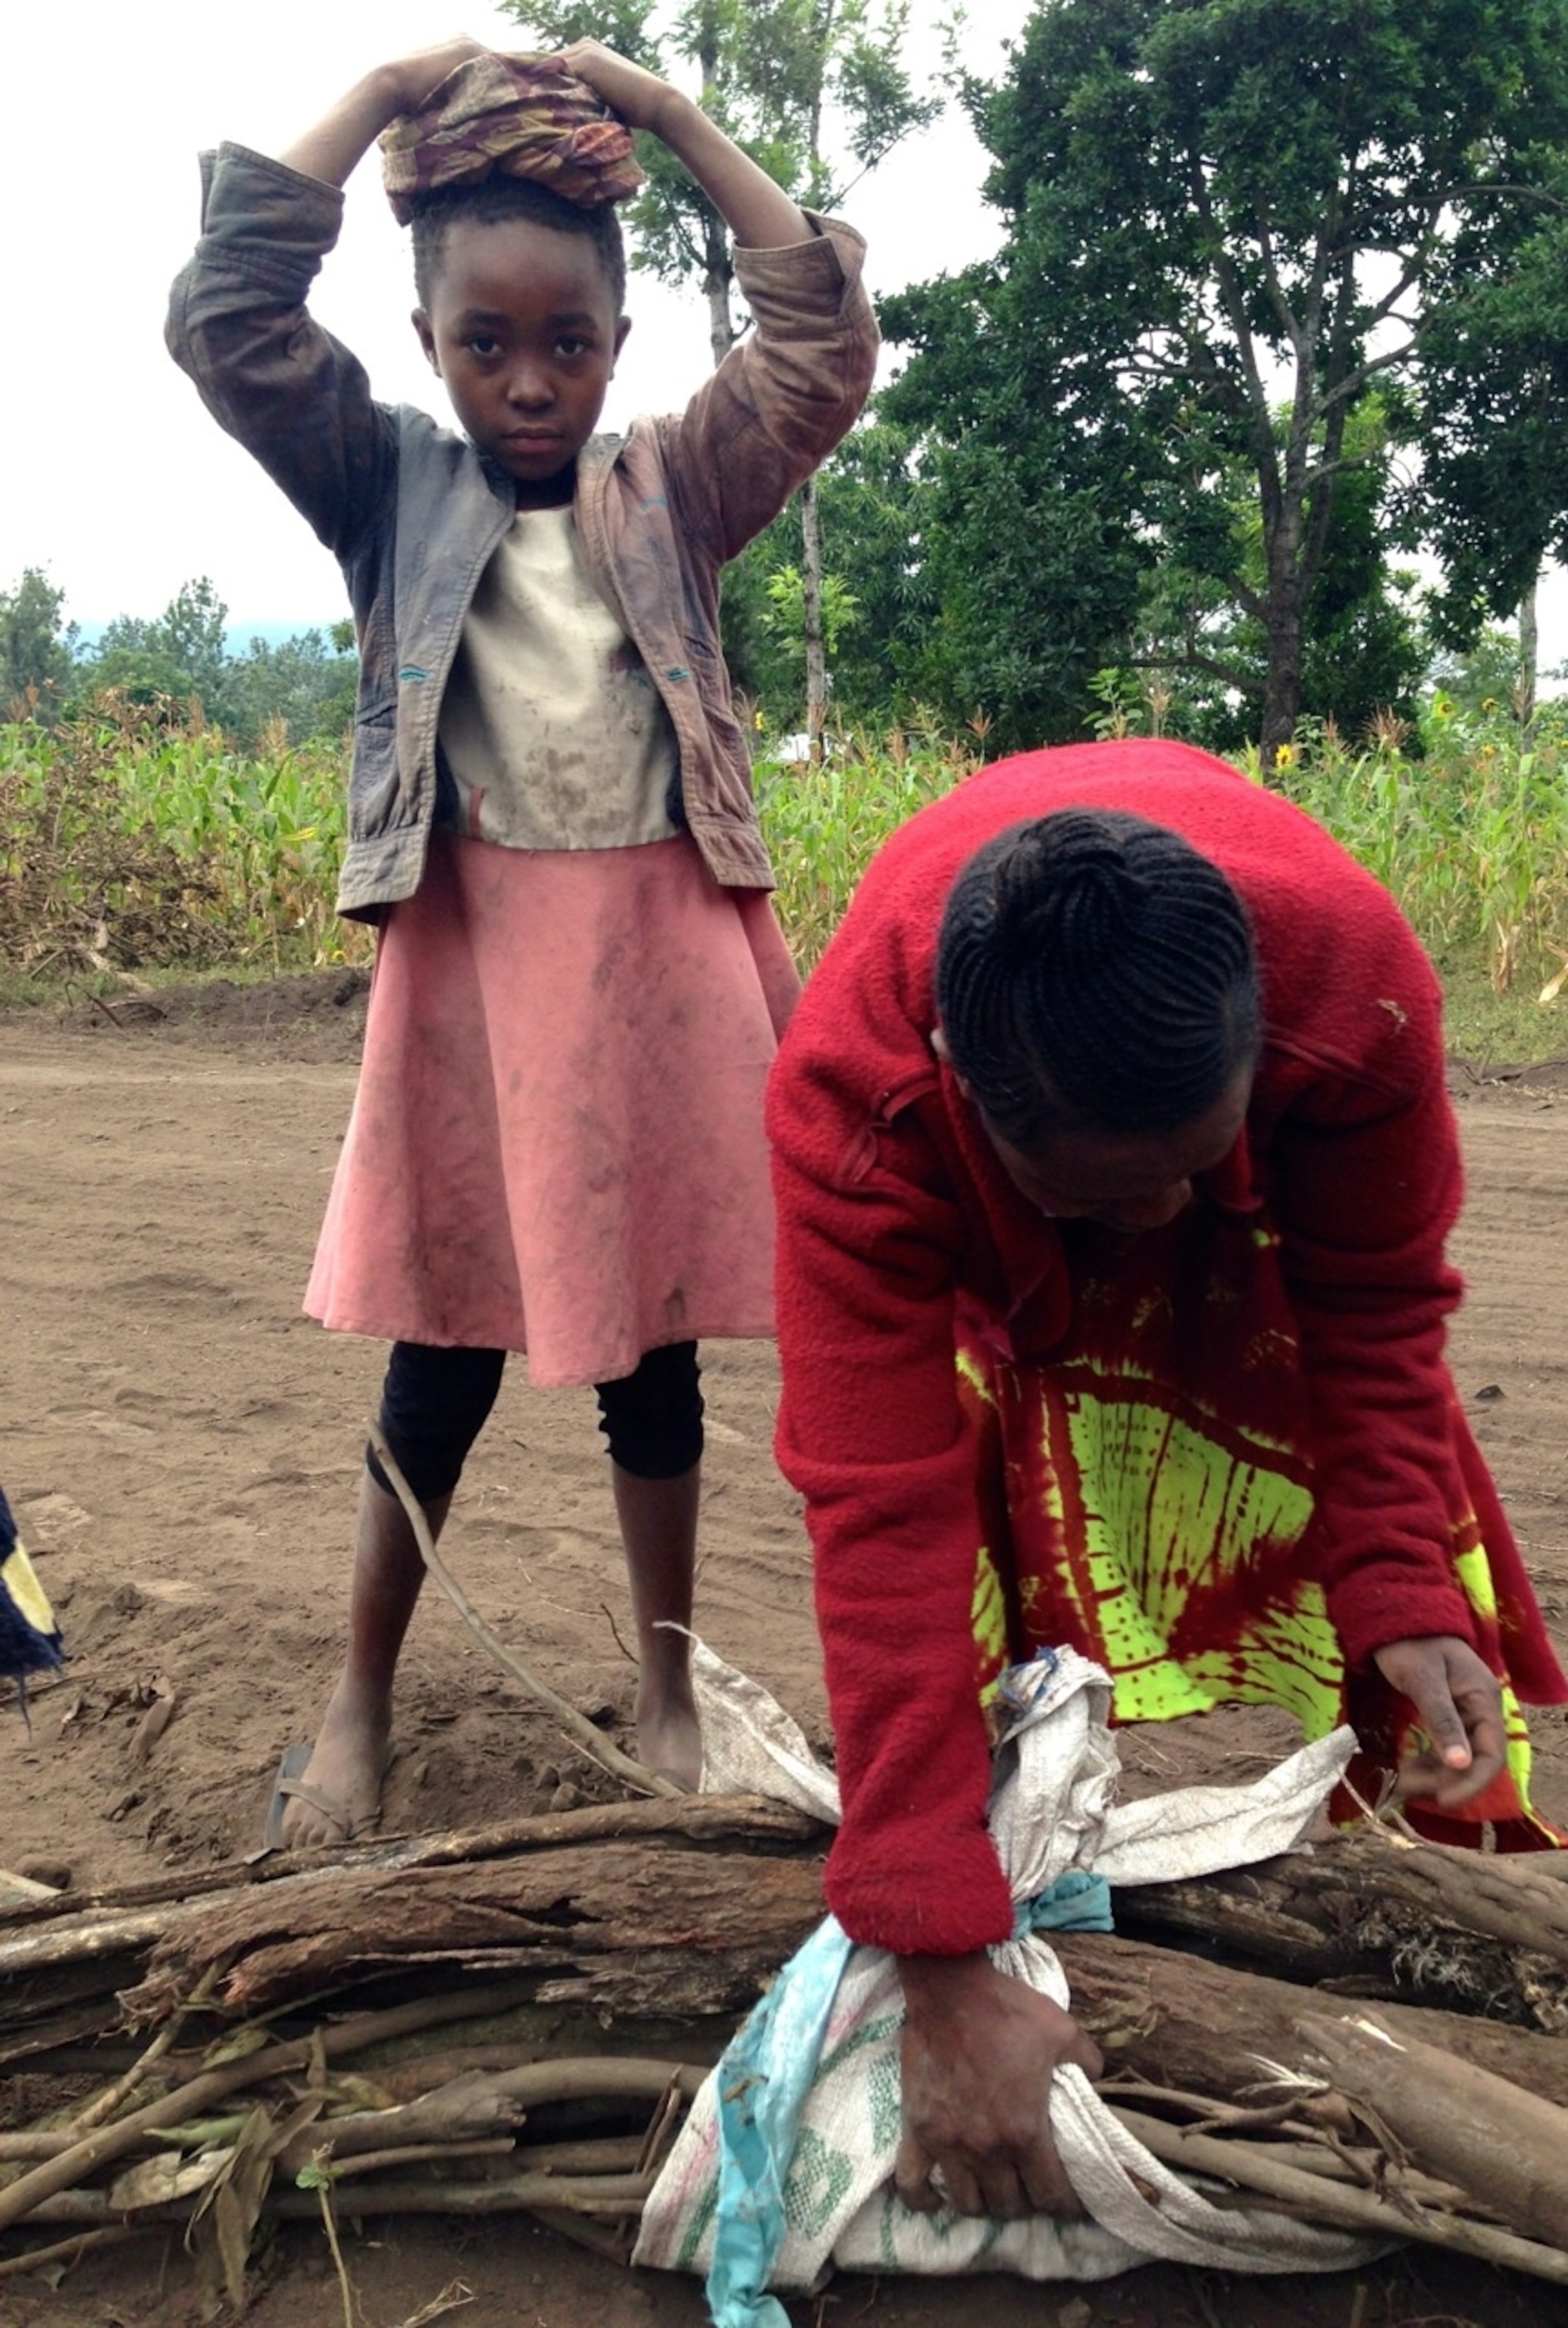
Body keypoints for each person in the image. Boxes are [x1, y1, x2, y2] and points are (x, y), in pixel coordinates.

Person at [167, 37, 877, 1845]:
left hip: (655, 965)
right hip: (477, 974)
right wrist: (389, 84)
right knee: (445, 1349)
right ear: (428, 346)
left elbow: (821, 342)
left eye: (570, 344)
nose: (532, 381)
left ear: (621, 349)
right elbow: (230, 305)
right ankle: (359, 1701)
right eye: (487, 343)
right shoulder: (387, 488)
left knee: (653, 1353)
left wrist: (667, 115)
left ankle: (663, 1689)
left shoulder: (681, 493)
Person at [765, 737, 1568, 2225]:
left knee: (1309, 1387)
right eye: (1100, 1189)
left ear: (1261, 1041)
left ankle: (1449, 1916)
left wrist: (1399, 1576)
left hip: (1261, 1126)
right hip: (978, 1214)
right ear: (956, 1084)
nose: (1159, 1214)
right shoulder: (857, 1101)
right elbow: (876, 1508)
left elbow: (1379, 1305)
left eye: (1192, 1162)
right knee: (957, 1457)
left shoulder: (1355, 993)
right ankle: (998, 1850)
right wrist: (932, 1956)